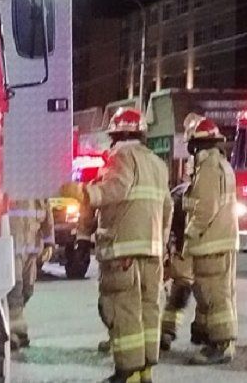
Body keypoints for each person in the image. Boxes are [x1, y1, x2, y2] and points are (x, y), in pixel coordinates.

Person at [61, 107, 173, 383]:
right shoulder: (157, 164)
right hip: (152, 252)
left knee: (123, 311)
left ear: (117, 135)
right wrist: (161, 244)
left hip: (122, 251)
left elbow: (115, 189)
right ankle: (145, 370)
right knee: (148, 310)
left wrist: (83, 192)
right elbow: (167, 208)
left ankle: (128, 372)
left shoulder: (121, 156)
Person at [181, 113, 239, 366]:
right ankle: (211, 337)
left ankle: (221, 345)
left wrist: (188, 235)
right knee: (216, 293)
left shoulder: (207, 168)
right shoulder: (222, 165)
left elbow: (205, 208)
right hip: (222, 240)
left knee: (215, 295)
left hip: (210, 242)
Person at [161, 180, 206, 350]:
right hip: (192, 247)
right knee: (193, 291)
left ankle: (168, 331)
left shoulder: (179, 197)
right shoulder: (182, 198)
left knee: (185, 288)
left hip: (187, 246)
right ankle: (196, 331)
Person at [6, 198, 55, 351]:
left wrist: (49, 242)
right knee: (15, 290)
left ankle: (15, 326)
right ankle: (15, 332)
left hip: (31, 247)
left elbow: (47, 212)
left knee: (27, 290)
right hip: (13, 246)